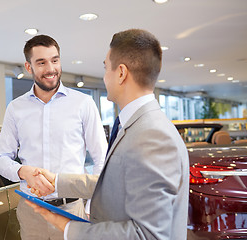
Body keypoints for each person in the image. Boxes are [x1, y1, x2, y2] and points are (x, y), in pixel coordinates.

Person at [26, 29, 190, 240]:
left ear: (121, 73)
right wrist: (58, 181)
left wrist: (67, 226)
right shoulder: (137, 126)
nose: (104, 77)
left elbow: (148, 235)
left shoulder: (153, 137)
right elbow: (116, 183)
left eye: (106, 68)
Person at [0, 34, 107, 239]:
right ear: (29, 67)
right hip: (31, 211)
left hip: (72, 210)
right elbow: (1, 159)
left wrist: (92, 206)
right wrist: (22, 171)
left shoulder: (83, 104)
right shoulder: (15, 108)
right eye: (42, 62)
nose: (51, 69)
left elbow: (102, 158)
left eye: (55, 60)